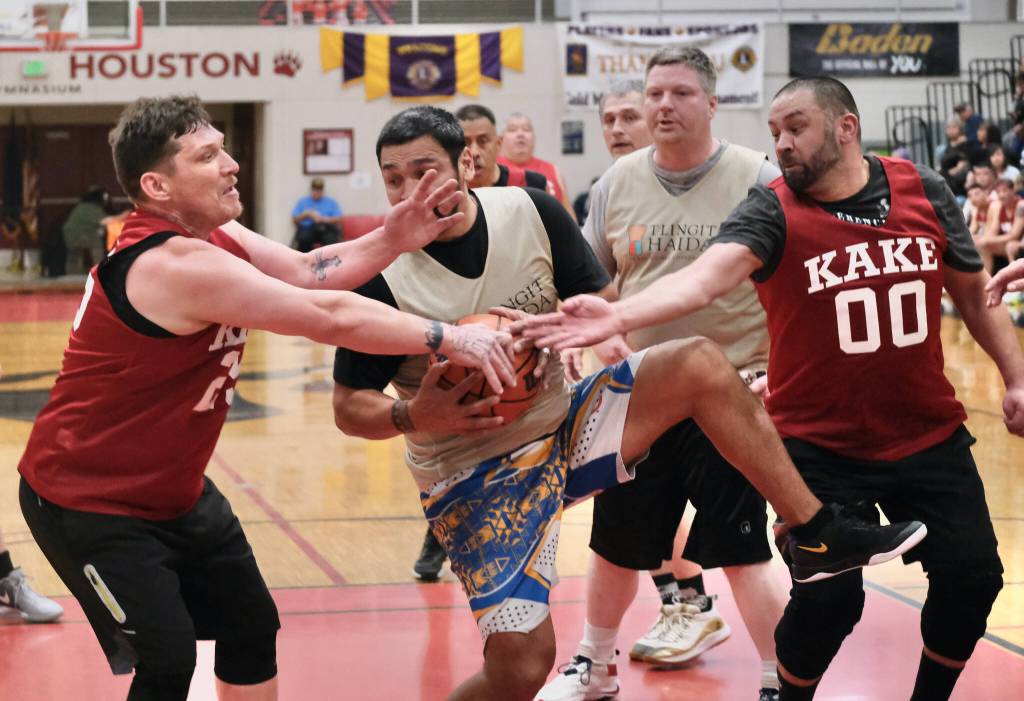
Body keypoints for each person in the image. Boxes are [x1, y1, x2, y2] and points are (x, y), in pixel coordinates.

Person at [332, 104, 926, 701]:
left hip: (563, 426)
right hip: (473, 474)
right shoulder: (379, 273)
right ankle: (599, 654)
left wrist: (563, 331)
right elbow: (348, 406)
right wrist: (413, 414)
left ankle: (817, 533)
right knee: (522, 668)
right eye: (394, 179)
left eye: (424, 171)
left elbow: (603, 304)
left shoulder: (531, 211)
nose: (409, 191)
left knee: (697, 360)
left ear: (466, 163)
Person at [521, 75, 1024, 701]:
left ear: (846, 128)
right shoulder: (772, 207)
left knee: (974, 578)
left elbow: (974, 292)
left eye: (796, 128)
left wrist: (1015, 377)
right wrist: (617, 315)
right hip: (817, 448)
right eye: (775, 132)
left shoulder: (924, 189)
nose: (782, 143)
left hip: (927, 434)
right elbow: (704, 279)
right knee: (829, 602)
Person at [16, 95, 518, 701]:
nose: (231, 164)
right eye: (208, 156)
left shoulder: (215, 233)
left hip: (173, 491)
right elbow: (324, 313)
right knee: (168, 660)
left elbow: (308, 272)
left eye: (224, 148)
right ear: (157, 186)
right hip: (86, 499)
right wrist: (447, 336)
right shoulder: (172, 264)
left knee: (251, 627)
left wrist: (391, 238)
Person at [536, 49, 788, 701]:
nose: (663, 106)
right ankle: (594, 664)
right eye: (654, 94)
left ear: (712, 103)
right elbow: (593, 281)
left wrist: (781, 374)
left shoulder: (759, 178)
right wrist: (597, 336)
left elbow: (795, 287)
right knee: (616, 542)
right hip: (640, 391)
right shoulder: (615, 183)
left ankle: (778, 679)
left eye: (680, 93)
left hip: (732, 390)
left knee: (742, 549)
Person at [409, 102, 554, 582]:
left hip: (520, 339)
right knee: (459, 418)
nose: (474, 148)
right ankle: (441, 533)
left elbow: (567, 265)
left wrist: (559, 332)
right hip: (462, 339)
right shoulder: (433, 213)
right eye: (465, 140)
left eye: (483, 140)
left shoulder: (531, 191)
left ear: (495, 145)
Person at [498, 113, 577, 219]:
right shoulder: (492, 169)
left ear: (534, 138)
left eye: (526, 129)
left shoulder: (553, 170)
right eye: (512, 130)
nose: (520, 134)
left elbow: (570, 218)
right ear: (500, 140)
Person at [457, 104, 551, 191]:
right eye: (465, 143)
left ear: (498, 144)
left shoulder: (532, 184)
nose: (474, 153)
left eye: (483, 141)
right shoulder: (450, 190)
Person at [976, 177, 1024, 272]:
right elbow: (994, 230)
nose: (1001, 195)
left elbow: (1015, 235)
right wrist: (983, 239)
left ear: (1012, 190)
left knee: (1010, 246)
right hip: (1008, 243)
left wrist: (987, 239)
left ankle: (1014, 276)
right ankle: (987, 278)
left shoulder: (1021, 206)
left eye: (1004, 191)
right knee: (983, 245)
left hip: (1019, 243)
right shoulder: (999, 206)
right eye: (998, 192)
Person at [62, 185, 110, 273]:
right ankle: (100, 270)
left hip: (69, 236)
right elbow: (104, 221)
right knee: (96, 243)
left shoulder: (81, 206)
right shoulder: (92, 208)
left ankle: (72, 272)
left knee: (74, 254)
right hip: (79, 235)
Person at [292, 176, 343, 252]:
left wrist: (322, 219)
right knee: (303, 239)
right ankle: (306, 258)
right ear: (311, 190)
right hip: (308, 230)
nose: (316, 192)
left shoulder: (331, 202)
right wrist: (306, 214)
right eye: (314, 190)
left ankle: (328, 259)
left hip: (326, 229)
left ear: (322, 191)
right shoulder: (302, 201)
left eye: (319, 190)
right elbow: (294, 220)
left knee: (331, 240)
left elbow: (338, 218)